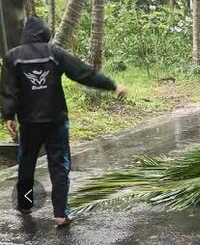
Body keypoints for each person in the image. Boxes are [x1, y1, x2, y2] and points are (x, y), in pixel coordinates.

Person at [0, 17, 126, 227]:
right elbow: (83, 73)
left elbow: (9, 91)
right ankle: (60, 214)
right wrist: (112, 86)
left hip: (29, 124)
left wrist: (8, 116)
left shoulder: (13, 57)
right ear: (45, 33)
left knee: (26, 163)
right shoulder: (55, 53)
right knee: (59, 165)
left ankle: (25, 204)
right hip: (56, 122)